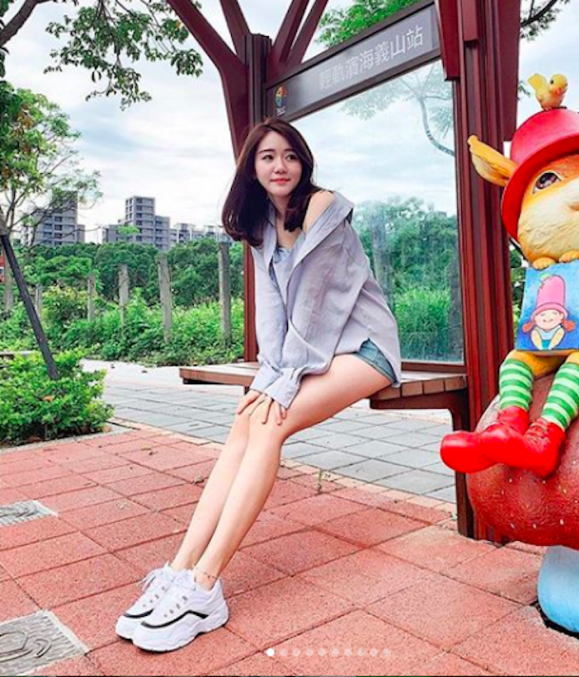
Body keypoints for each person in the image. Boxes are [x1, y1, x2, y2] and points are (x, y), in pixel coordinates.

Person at [115, 118, 402, 652]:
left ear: (304, 163)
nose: (280, 166)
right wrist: (268, 377)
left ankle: (205, 586)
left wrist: (284, 382)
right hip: (314, 354)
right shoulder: (262, 225)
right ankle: (179, 568)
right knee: (245, 422)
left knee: (270, 424)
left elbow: (317, 308)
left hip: (364, 347)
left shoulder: (323, 207)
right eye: (268, 157)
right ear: (251, 166)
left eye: (290, 156)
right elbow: (272, 316)